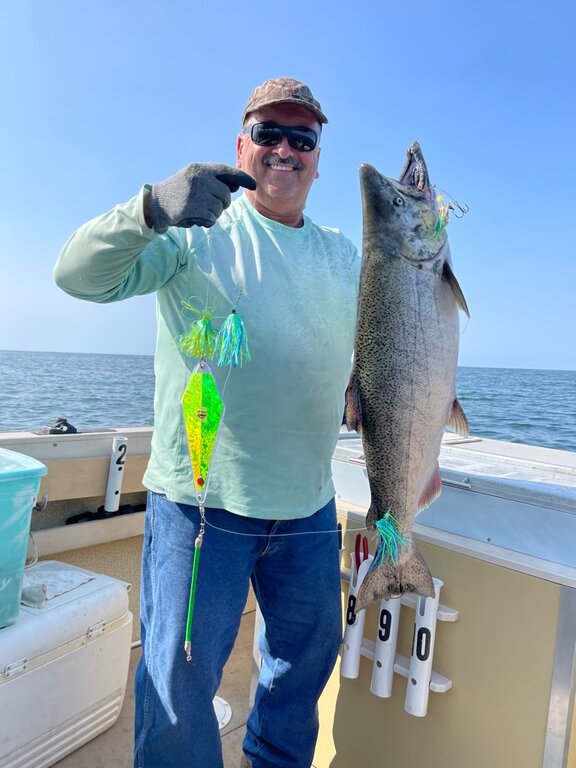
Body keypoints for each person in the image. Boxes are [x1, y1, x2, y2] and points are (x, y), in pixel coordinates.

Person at [54, 77, 359, 768]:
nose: (285, 149)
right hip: (199, 508)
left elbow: (397, 335)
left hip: (309, 508)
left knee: (302, 669)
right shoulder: (194, 232)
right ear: (240, 145)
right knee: (178, 683)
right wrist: (150, 209)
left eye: (302, 139)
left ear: (318, 157)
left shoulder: (343, 255)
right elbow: (76, 276)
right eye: (269, 134)